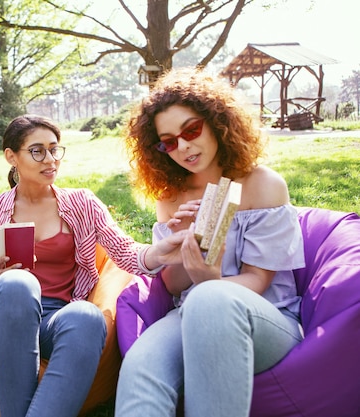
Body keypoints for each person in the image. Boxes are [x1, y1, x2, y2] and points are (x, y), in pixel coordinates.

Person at [0, 114, 187, 417]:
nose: (50, 159)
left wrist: (161, 250)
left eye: (55, 149)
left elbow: (124, 252)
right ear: (11, 157)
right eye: (37, 151)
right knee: (18, 283)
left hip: (52, 319)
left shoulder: (82, 203)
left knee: (88, 316)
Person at [114, 68, 306, 417]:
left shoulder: (262, 185)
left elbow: (259, 281)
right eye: (169, 141)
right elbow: (173, 286)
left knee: (211, 298)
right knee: (142, 366)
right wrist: (186, 244)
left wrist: (208, 280)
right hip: (189, 313)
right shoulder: (171, 198)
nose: (183, 146)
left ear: (217, 122)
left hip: (266, 318)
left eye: (191, 130)